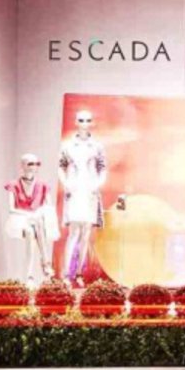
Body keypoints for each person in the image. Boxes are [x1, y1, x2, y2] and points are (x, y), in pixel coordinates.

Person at [58, 109, 108, 284]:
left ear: (91, 122)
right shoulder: (68, 145)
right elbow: (61, 166)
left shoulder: (96, 145)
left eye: (87, 120)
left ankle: (79, 273)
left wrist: (97, 185)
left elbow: (103, 167)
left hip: (90, 191)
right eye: (81, 120)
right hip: (75, 190)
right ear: (76, 122)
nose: (84, 123)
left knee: (86, 233)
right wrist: (66, 184)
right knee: (74, 232)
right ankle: (66, 274)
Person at [5, 154, 59, 285]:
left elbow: (48, 206)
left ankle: (31, 274)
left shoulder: (42, 185)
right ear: (22, 166)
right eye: (30, 164)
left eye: (36, 164)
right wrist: (28, 215)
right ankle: (44, 265)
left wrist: (37, 214)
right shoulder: (14, 185)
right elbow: (11, 208)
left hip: (38, 219)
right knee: (30, 230)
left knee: (36, 225)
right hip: (20, 218)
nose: (33, 167)